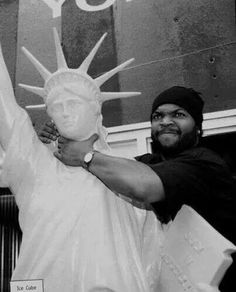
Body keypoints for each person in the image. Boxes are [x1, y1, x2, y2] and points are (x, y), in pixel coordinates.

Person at [0, 29, 163, 292]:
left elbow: (153, 252)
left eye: (73, 103)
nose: (64, 112)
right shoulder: (35, 166)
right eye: (56, 106)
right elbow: (3, 106)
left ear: (95, 108)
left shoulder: (127, 170)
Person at [41, 86, 236, 291]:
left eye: (178, 115)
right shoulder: (150, 162)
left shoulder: (205, 163)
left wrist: (85, 156)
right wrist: (58, 140)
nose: (166, 122)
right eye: (158, 116)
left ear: (198, 126)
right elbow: (105, 172)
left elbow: (141, 185)